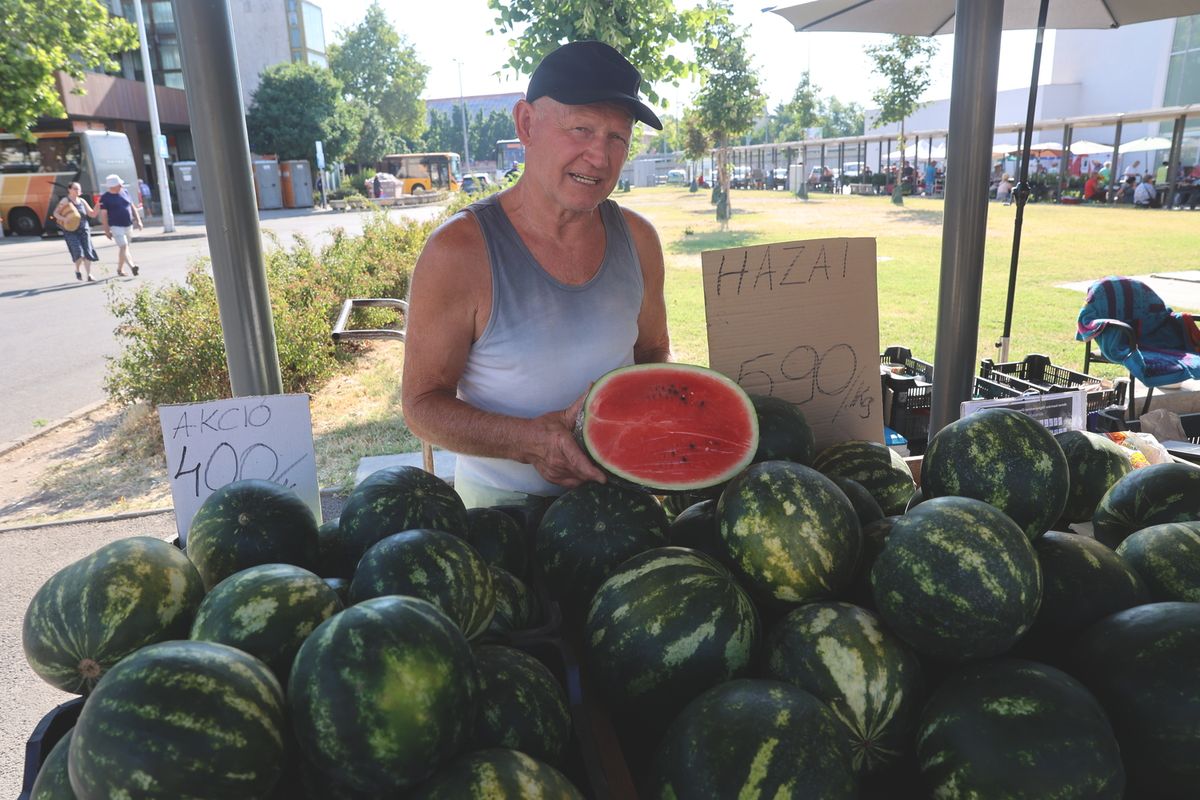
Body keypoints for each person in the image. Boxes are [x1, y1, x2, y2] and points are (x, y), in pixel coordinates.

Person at [400, 41, 670, 509]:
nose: (599, 157)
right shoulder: (458, 251)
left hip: (622, 505)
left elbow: (652, 351)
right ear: (526, 124)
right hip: (500, 514)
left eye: (617, 137)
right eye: (581, 129)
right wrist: (527, 441)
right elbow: (422, 405)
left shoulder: (639, 239)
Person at [51, 182, 100, 281]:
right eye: (75, 188)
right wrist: (64, 219)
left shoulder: (82, 201)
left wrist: (98, 205)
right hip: (70, 230)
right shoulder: (65, 200)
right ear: (69, 190)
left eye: (79, 189)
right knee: (78, 251)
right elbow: (55, 213)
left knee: (87, 251)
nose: (77, 190)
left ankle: (89, 274)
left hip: (84, 229)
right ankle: (77, 270)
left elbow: (92, 214)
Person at [97, 174, 143, 276]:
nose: (121, 186)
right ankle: (132, 266)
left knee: (124, 248)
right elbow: (104, 215)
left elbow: (132, 207)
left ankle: (120, 269)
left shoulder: (125, 192)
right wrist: (106, 230)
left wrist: (138, 220)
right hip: (116, 226)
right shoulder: (105, 198)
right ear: (112, 186)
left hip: (128, 225)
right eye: (119, 184)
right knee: (124, 246)